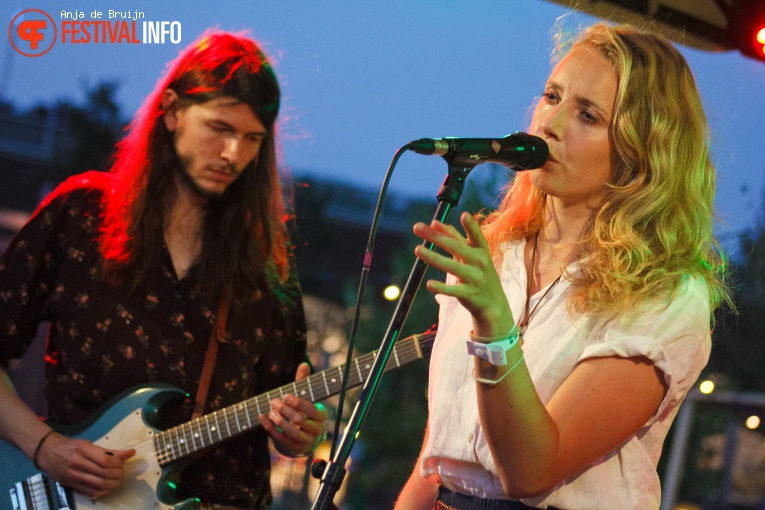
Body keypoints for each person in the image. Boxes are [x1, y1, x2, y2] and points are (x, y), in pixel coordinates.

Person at [394, 22, 731, 510]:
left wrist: (495, 327)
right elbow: (442, 453)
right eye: (552, 96)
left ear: (642, 154)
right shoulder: (497, 252)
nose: (549, 123)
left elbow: (532, 471)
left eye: (588, 115)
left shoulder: (665, 295)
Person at [0, 30, 327, 509]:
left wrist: (298, 432)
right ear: (172, 111)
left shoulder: (266, 264)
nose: (235, 154)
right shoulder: (81, 215)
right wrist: (45, 447)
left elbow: (285, 413)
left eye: (252, 138)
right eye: (220, 128)